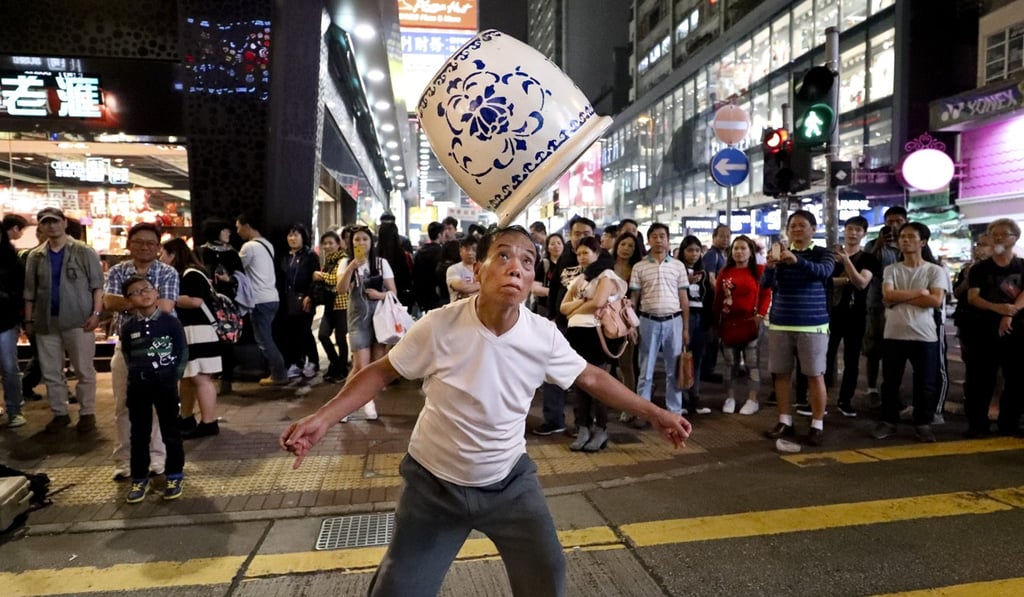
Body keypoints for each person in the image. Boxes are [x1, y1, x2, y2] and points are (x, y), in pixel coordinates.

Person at [279, 226, 692, 597]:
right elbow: (381, 372)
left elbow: (593, 378)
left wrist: (656, 413)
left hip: (509, 483)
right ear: (478, 270)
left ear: (532, 279)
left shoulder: (542, 335)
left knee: (547, 572)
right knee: (398, 588)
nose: (516, 267)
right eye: (504, 255)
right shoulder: (439, 325)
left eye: (527, 261)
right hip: (433, 486)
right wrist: (322, 418)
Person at [104, 222, 179, 480]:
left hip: (160, 346)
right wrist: (146, 301)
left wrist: (128, 301)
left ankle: (157, 458)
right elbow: (108, 301)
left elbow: (165, 307)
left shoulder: (168, 272)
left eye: (150, 243)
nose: (145, 247)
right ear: (129, 244)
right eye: (139, 242)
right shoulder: (117, 271)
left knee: (161, 405)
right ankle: (125, 460)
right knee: (123, 404)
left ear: (158, 247)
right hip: (128, 347)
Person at [23, 207, 104, 433]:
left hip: (79, 319)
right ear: (40, 226)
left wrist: (96, 314)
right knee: (51, 371)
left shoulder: (84, 251)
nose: (51, 226)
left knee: (84, 369)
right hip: (45, 321)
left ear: (64, 223)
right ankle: (60, 413)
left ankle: (87, 412)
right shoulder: (35, 256)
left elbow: (97, 286)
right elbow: (29, 291)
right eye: (46, 222)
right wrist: (29, 321)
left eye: (55, 221)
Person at [762, 210, 835, 446]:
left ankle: (817, 424)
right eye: (792, 226)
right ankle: (784, 420)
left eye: (802, 225)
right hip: (780, 321)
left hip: (812, 324)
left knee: (815, 374)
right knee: (781, 374)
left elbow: (824, 273)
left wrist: (797, 261)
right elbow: (765, 284)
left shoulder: (823, 253)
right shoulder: (781, 254)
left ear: (814, 229)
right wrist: (770, 267)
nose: (796, 229)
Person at [871, 222, 948, 442]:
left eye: (911, 237)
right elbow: (887, 296)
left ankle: (922, 423)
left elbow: (935, 300)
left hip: (925, 335)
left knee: (925, 383)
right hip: (894, 333)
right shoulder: (891, 269)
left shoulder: (934, 270)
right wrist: (920, 292)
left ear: (923, 242)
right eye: (902, 237)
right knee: (890, 382)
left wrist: (901, 297)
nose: (905, 240)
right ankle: (888, 421)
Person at [119, 274, 187, 503]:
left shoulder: (171, 322)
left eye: (147, 288)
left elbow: (181, 352)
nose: (144, 294)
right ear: (129, 300)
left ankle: (175, 475)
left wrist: (174, 378)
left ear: (157, 292)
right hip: (138, 385)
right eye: (136, 292)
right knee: (139, 433)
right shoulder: (128, 327)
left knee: (171, 431)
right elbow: (127, 355)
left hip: (165, 384)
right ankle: (139, 477)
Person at [559, 236, 624, 451]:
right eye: (578, 253)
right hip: (577, 335)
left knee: (599, 386)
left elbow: (598, 302)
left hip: (597, 335)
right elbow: (563, 307)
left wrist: (576, 307)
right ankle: (583, 428)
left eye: (586, 252)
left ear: (597, 253)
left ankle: (601, 429)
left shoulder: (606, 275)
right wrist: (582, 303)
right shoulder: (580, 278)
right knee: (581, 385)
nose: (581, 257)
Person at [534, 216, 596, 436]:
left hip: (587, 325)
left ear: (594, 235)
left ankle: (584, 424)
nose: (580, 237)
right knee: (552, 372)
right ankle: (554, 420)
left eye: (586, 234)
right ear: (570, 235)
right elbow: (554, 288)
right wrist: (552, 315)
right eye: (577, 233)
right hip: (561, 323)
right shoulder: (566, 256)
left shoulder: (600, 258)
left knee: (583, 375)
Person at [965, 218, 1024, 438]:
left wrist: (1009, 312)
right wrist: (997, 308)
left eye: (1004, 234)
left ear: (1014, 238)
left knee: (1016, 379)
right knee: (980, 380)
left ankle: (1009, 423)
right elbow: (973, 297)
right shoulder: (980, 269)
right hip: (984, 331)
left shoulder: (1022, 266)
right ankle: (977, 425)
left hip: (1017, 331)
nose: (998, 238)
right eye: (994, 234)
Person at [160, 238, 222, 439]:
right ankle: (186, 417)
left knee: (200, 377)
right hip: (191, 331)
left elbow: (195, 301)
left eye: (163, 254)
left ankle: (208, 422)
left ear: (173, 255)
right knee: (188, 376)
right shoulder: (189, 273)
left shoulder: (191, 274)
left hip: (199, 332)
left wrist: (168, 299)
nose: (160, 258)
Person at [630, 223, 691, 420]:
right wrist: (632, 325)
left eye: (662, 236)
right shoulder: (639, 266)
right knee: (645, 371)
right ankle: (643, 412)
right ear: (648, 240)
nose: (658, 240)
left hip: (674, 321)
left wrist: (686, 328)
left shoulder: (678, 266)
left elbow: (684, 299)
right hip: (647, 321)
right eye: (654, 236)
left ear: (668, 239)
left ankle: (674, 411)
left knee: (674, 370)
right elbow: (634, 299)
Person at [337, 225, 397, 421]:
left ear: (372, 242)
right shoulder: (346, 262)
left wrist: (379, 294)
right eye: (357, 239)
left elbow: (393, 292)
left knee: (374, 366)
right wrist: (352, 267)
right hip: (357, 320)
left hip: (379, 321)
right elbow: (341, 289)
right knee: (360, 366)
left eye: (365, 239)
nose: (361, 243)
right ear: (350, 242)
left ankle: (364, 401)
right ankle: (347, 405)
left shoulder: (381, 263)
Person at [826, 216, 880, 417]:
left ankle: (845, 400)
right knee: (825, 357)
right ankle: (820, 399)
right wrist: (846, 279)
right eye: (850, 228)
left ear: (864, 234)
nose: (853, 233)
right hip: (830, 314)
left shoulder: (868, 259)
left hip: (855, 315)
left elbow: (861, 283)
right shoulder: (830, 257)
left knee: (852, 360)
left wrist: (846, 262)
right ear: (844, 230)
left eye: (858, 230)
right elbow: (824, 281)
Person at [714, 236, 772, 415]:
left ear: (751, 251)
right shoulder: (725, 272)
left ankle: (752, 399)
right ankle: (730, 397)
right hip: (728, 324)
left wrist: (760, 315)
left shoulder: (760, 271)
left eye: (743, 248)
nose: (739, 252)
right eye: (736, 248)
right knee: (729, 364)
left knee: (752, 364)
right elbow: (718, 298)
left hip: (751, 324)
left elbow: (766, 294)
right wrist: (715, 322)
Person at [236, 212, 289, 386]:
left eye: (238, 227)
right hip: (272, 297)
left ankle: (279, 374)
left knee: (264, 340)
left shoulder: (249, 247)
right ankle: (277, 372)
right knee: (267, 337)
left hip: (259, 299)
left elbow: (237, 268)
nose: (237, 231)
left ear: (247, 226)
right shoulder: (267, 244)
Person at [863, 206, 908, 398]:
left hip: (904, 303)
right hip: (877, 303)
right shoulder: (873, 245)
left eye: (898, 221)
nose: (894, 225)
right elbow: (866, 266)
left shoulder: (910, 245)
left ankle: (893, 388)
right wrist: (879, 245)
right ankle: (872, 388)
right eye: (890, 222)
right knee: (874, 347)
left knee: (897, 348)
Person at [197, 218, 243, 394]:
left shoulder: (232, 253)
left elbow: (241, 278)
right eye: (224, 230)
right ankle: (209, 377)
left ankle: (226, 379)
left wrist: (229, 279)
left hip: (226, 304)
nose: (228, 233)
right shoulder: (201, 251)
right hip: (205, 303)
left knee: (227, 340)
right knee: (208, 339)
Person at [678, 235, 715, 415]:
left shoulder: (704, 272)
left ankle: (695, 397)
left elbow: (709, 298)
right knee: (680, 358)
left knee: (697, 359)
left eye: (697, 250)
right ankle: (680, 399)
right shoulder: (677, 270)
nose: (694, 254)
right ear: (683, 252)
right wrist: (686, 282)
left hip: (701, 318)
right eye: (690, 250)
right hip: (682, 317)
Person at [279, 223, 320, 379]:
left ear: (303, 237)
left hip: (304, 299)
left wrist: (310, 296)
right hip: (287, 300)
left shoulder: (310, 256)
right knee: (291, 333)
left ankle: (313, 362)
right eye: (290, 235)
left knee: (304, 331)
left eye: (296, 235)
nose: (292, 238)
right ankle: (297, 363)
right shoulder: (284, 256)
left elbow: (315, 279)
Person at [315, 231, 349, 382]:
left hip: (341, 304)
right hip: (329, 304)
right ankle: (336, 364)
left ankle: (342, 370)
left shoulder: (344, 259)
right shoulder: (328, 260)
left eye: (331, 243)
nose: (327, 246)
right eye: (325, 243)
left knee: (341, 339)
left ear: (338, 244)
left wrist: (320, 275)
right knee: (323, 335)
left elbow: (336, 279)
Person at [0, 224, 25, 428]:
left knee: (9, 366)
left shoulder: (11, 259)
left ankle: (14, 410)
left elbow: (21, 288)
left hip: (5, 319)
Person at [612, 232, 642, 397]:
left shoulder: (637, 269)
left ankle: (629, 402)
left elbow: (635, 299)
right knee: (605, 366)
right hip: (605, 319)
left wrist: (631, 325)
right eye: (623, 244)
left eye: (631, 246)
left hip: (627, 321)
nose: (626, 248)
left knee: (626, 364)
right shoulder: (606, 266)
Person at [701, 224, 731, 383]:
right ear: (714, 237)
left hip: (718, 303)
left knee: (715, 338)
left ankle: (710, 369)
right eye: (722, 236)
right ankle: (707, 371)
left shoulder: (722, 255)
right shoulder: (712, 255)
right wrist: (722, 295)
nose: (725, 239)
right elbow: (711, 279)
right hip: (711, 304)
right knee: (711, 338)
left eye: (728, 236)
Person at [413, 222, 446, 313]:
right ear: (439, 235)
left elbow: (415, 273)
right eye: (443, 234)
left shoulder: (420, 252)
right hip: (436, 294)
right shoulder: (441, 252)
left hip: (422, 292)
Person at [446, 236, 480, 302]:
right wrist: (482, 285)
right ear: (460, 251)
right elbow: (461, 287)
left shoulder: (484, 268)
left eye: (474, 250)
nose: (470, 253)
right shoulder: (453, 269)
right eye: (467, 249)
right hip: (459, 307)